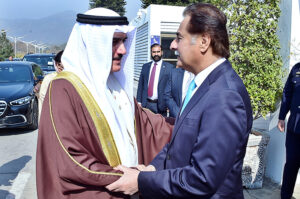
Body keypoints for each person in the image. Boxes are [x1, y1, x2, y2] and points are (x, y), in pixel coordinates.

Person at [106, 3, 253, 199]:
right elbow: (177, 146)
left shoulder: (225, 96)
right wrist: (151, 169)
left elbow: (202, 178)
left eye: (179, 38)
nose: (173, 45)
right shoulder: (203, 85)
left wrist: (140, 181)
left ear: (203, 42)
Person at [36, 7, 172, 199]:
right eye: (114, 41)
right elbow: (71, 160)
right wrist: (131, 178)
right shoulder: (63, 88)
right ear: (93, 44)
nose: (123, 50)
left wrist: (197, 123)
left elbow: (152, 127)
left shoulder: (115, 85)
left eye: (124, 41)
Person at [277, 62, 300, 199]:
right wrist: (281, 117)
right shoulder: (296, 69)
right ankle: (285, 196)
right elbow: (287, 92)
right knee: (291, 163)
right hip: (294, 126)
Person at [136, 44, 174, 116]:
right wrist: (139, 102)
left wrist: (170, 103)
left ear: (162, 52)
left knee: (160, 127)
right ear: (151, 53)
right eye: (154, 52)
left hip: (161, 105)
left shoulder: (169, 68)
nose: (156, 54)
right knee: (146, 126)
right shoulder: (145, 67)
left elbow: (172, 87)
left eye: (158, 51)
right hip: (146, 104)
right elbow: (140, 85)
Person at [38, 50, 64, 118]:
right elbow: (43, 100)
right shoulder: (49, 79)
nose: (60, 67)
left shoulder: (76, 79)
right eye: (59, 65)